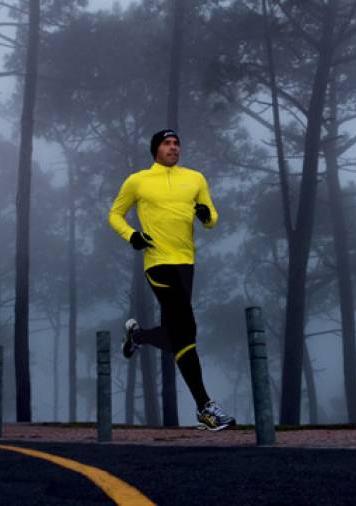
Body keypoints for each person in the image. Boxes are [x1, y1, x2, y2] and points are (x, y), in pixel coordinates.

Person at [108, 129, 235, 432]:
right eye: (167, 143)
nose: (174, 147)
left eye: (177, 143)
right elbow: (115, 214)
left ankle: (138, 337)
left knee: (178, 334)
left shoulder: (195, 178)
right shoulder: (138, 180)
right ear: (156, 149)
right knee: (186, 329)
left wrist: (207, 215)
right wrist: (132, 236)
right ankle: (205, 407)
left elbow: (212, 218)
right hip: (157, 262)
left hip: (186, 263)